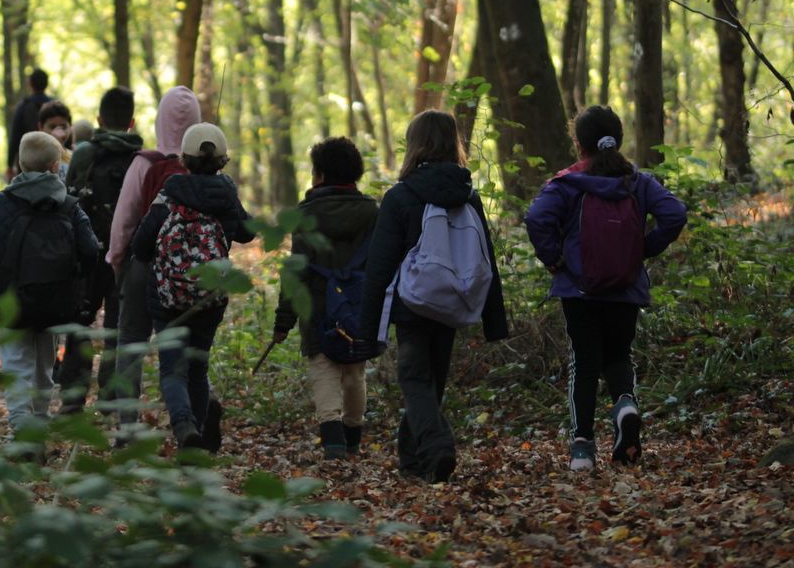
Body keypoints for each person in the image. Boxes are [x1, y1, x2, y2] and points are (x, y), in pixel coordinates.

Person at [524, 105, 687, 471]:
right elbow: (675, 214)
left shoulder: (567, 182)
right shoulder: (638, 181)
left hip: (578, 290)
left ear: (579, 144)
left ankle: (582, 449)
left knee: (583, 363)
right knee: (618, 355)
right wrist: (642, 249)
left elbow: (536, 219)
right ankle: (625, 404)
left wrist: (553, 259)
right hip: (625, 289)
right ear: (618, 140)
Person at [359, 110, 507, 482]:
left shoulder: (401, 197)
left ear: (414, 145)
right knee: (431, 383)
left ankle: (437, 447)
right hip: (453, 301)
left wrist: (367, 327)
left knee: (414, 380)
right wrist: (494, 319)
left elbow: (379, 265)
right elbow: (485, 257)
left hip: (412, 305)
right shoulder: (467, 196)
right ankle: (414, 463)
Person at [131, 123, 254, 450]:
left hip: (166, 299)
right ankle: (196, 438)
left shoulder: (170, 192)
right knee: (198, 369)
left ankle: (184, 425)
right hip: (209, 300)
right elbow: (248, 233)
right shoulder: (226, 193)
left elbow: (140, 246)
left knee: (173, 369)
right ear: (222, 159)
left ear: (183, 158)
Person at [0, 131, 100, 434]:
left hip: (13, 301)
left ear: (19, 164)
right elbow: (92, 251)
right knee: (44, 365)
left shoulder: (4, 203)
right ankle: (40, 422)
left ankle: (20, 424)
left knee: (17, 362)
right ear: (57, 166)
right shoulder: (69, 205)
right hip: (56, 300)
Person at [274, 137, 379, 460]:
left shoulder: (304, 216)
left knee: (324, 371)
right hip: (359, 307)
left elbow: (295, 274)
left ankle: (333, 443)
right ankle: (352, 438)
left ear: (318, 175)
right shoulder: (373, 213)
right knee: (355, 372)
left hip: (317, 309)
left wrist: (283, 322)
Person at [105, 86, 201, 430]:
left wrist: (117, 265)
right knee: (180, 349)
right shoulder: (204, 164)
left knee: (130, 343)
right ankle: (188, 420)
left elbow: (124, 222)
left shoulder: (145, 162)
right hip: (189, 270)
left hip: (143, 267)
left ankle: (127, 426)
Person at [57, 87, 143, 413]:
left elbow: (67, 202)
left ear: (99, 119)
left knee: (80, 323)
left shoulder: (84, 154)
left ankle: (72, 399)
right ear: (132, 122)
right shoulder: (141, 158)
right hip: (127, 255)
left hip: (87, 252)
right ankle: (109, 399)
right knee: (118, 328)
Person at [6, 68, 53, 180]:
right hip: (51, 157)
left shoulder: (23, 107)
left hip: (26, 159)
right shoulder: (54, 106)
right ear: (46, 83)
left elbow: (15, 137)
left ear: (30, 84)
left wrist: (9, 165)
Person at [37, 99, 74, 181]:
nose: (58, 132)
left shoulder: (74, 157)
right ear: (41, 127)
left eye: (63, 127)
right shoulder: (36, 158)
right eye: (52, 127)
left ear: (70, 127)